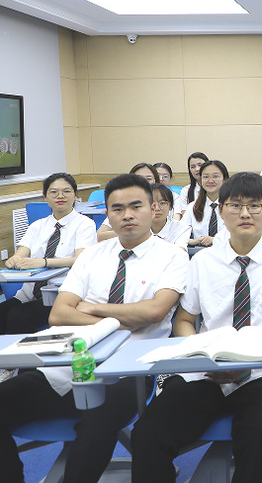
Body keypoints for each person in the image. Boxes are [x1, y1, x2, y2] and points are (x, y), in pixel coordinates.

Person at [131, 172, 262, 483]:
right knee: (148, 433)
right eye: (235, 206)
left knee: (260, 432)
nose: (245, 214)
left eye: (255, 206)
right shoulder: (203, 262)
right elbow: (184, 320)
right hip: (206, 372)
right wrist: (202, 356)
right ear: (220, 210)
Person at [0, 173, 188, 483]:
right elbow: (59, 314)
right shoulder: (92, 256)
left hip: (130, 371)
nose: (127, 215)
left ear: (153, 208)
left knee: (96, 422)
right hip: (69, 362)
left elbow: (155, 312)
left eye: (136, 206)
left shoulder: (173, 256)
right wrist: (123, 319)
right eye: (117, 209)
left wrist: (91, 307)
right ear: (107, 214)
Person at [1, 172, 96, 333]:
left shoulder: (85, 224)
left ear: (75, 195)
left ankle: (33, 348)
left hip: (63, 295)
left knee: (18, 316)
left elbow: (79, 258)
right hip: (29, 295)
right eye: (54, 192)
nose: (60, 196)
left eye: (66, 191)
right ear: (45, 197)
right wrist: (14, 260)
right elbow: (21, 253)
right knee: (3, 312)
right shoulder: (37, 226)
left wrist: (43, 262)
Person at [97, 163, 164, 241]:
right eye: (138, 179)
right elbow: (99, 235)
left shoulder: (168, 199)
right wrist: (127, 231)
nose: (127, 215)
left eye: (148, 179)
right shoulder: (120, 204)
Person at [185, 160, 230, 247]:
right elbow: (180, 234)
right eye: (205, 177)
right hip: (200, 252)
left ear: (225, 180)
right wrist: (193, 241)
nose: (210, 181)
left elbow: (241, 236)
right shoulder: (192, 207)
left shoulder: (234, 207)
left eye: (215, 176)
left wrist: (215, 240)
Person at [150, 183, 191, 250]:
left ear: (170, 206)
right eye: (151, 203)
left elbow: (180, 252)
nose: (157, 208)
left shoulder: (181, 229)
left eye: (162, 203)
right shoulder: (135, 229)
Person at [174, 152, 209, 220]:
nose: (197, 169)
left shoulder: (216, 188)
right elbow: (185, 217)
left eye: (200, 165)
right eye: (193, 167)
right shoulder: (186, 190)